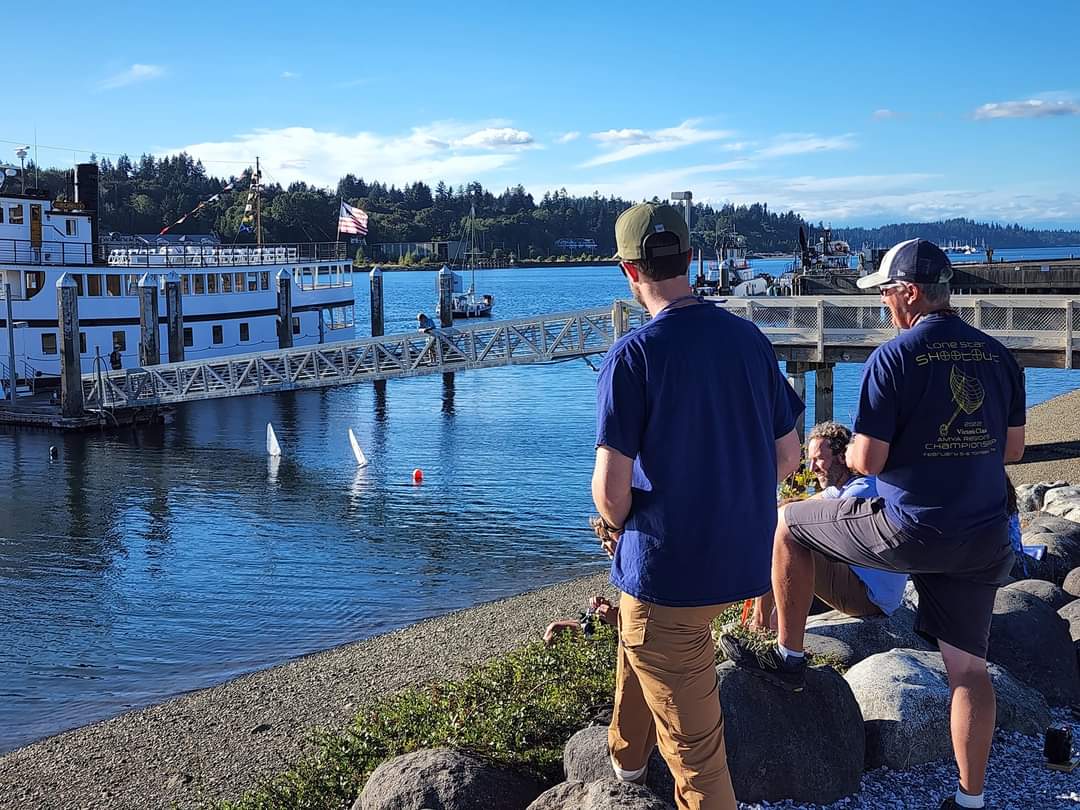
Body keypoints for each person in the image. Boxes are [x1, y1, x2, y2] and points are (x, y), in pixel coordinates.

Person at [720, 239, 1025, 810]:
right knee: (968, 670)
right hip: (982, 534)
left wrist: (879, 449)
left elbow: (866, 461)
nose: (885, 303)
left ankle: (787, 658)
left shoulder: (895, 357)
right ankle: (971, 800)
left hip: (910, 526)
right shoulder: (998, 354)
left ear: (910, 293)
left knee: (788, 523)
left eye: (887, 292)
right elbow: (1012, 449)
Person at [593, 203, 803, 810]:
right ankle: (626, 765)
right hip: (739, 564)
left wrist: (616, 523)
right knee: (642, 632)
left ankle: (645, 774)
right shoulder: (748, 339)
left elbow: (611, 493)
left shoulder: (633, 355)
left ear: (629, 272)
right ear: (689, 259)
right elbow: (787, 457)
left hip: (671, 573)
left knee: (700, 764)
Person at [752, 421, 908, 629]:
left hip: (868, 597)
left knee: (782, 536)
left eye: (818, 459)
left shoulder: (858, 493)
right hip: (863, 585)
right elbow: (803, 504)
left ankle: (761, 625)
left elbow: (799, 517)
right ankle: (771, 618)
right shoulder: (849, 485)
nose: (812, 468)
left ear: (842, 457)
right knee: (783, 522)